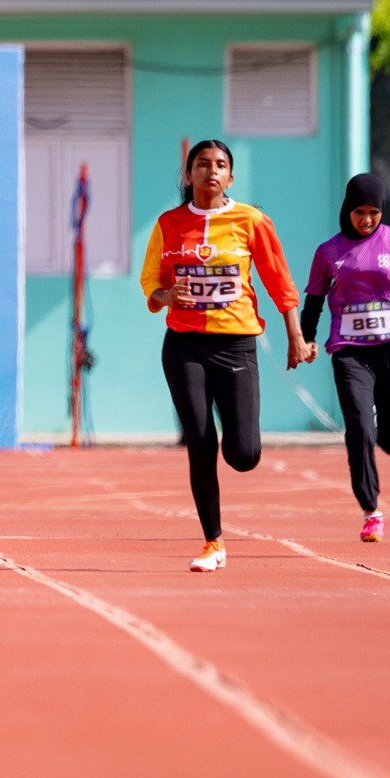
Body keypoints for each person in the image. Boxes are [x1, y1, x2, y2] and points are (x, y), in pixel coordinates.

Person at [140, 139, 310, 572]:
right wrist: (166, 295)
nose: (210, 171)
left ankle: (240, 443)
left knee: (243, 455)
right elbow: (151, 287)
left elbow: (280, 282)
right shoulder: (168, 223)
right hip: (184, 344)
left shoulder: (250, 220)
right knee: (199, 441)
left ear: (230, 177)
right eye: (201, 164)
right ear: (189, 174)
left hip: (235, 344)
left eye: (219, 165)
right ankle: (213, 542)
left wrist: (296, 336)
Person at [300, 174, 390, 542]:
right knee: (359, 425)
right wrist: (306, 340)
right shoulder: (329, 252)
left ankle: (380, 433)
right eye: (359, 212)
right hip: (349, 351)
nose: (366, 220)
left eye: (374, 212)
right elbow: (313, 301)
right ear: (347, 210)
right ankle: (371, 510)